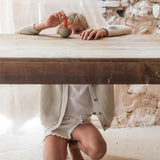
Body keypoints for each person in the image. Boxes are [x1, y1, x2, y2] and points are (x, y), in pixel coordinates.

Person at [16, 10, 131, 160]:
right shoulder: (51, 55)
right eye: (68, 30)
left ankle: (74, 147)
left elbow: (126, 29)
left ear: (86, 33)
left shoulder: (94, 56)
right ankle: (58, 143)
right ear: (61, 34)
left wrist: (103, 31)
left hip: (80, 122)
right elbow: (17, 35)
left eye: (78, 31)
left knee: (98, 150)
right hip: (55, 125)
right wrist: (45, 25)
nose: (73, 34)